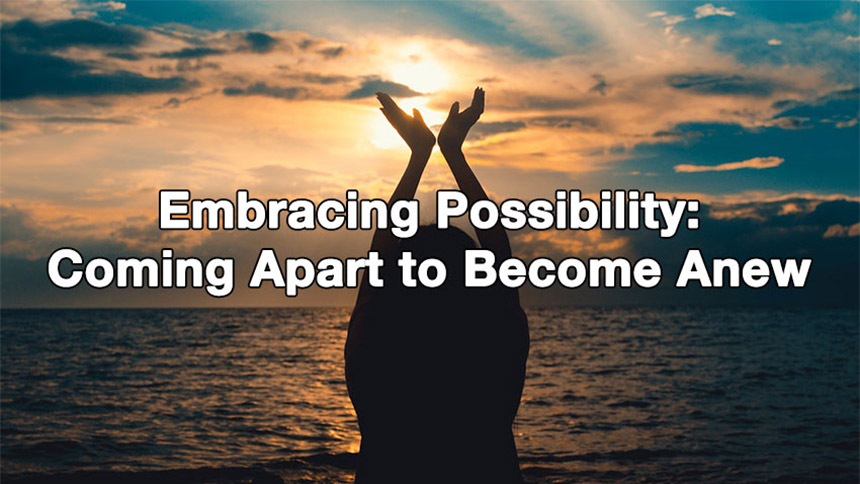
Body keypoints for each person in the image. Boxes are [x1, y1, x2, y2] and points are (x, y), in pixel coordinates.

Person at [344, 88, 529, 483]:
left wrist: (420, 155)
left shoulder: (377, 365)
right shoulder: (491, 363)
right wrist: (452, 153)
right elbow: (500, 258)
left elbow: (377, 270)